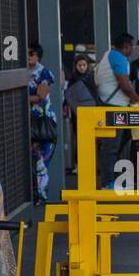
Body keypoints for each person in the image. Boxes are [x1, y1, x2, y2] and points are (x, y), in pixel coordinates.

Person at [95, 32, 139, 187]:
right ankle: (108, 182)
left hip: (111, 104)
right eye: (132, 46)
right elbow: (125, 84)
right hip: (115, 107)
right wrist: (136, 99)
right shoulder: (118, 58)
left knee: (116, 142)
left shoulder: (107, 55)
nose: (133, 50)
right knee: (111, 146)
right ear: (126, 46)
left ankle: (112, 178)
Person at [27, 43, 57, 203]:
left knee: (42, 160)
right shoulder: (21, 72)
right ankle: (33, 194)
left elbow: (41, 96)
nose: (28, 56)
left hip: (42, 121)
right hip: (26, 121)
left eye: (31, 53)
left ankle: (41, 195)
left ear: (38, 56)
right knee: (30, 158)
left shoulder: (44, 73)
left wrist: (20, 97)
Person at [63, 53, 98, 174]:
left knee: (93, 140)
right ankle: (79, 164)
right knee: (80, 140)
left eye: (84, 65)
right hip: (78, 116)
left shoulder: (92, 78)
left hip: (90, 113)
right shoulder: (73, 80)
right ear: (75, 66)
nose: (82, 67)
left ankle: (92, 165)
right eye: (80, 65)